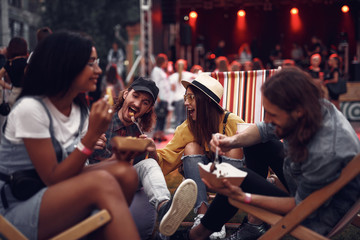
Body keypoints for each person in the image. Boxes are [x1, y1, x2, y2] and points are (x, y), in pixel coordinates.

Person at [186, 67, 360, 240]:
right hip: (308, 188)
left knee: (241, 178)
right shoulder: (314, 107)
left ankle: (199, 233)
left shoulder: (324, 151)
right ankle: (254, 223)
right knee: (260, 143)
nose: (267, 119)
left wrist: (246, 197)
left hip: (317, 215)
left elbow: (301, 206)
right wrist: (231, 141)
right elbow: (264, 129)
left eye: (272, 114)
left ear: (297, 112)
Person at [0, 31, 141, 240]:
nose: (98, 70)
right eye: (90, 63)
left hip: (53, 194)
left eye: (97, 62)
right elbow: (53, 178)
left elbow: (72, 171)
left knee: (125, 172)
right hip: (16, 207)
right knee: (102, 182)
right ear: (67, 66)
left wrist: (115, 159)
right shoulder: (31, 109)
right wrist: (90, 137)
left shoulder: (79, 109)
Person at [89, 77, 197, 239]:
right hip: (95, 180)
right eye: (136, 96)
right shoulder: (102, 119)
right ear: (126, 95)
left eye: (145, 102)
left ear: (148, 109)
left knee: (149, 164)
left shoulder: (137, 132)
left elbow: (145, 173)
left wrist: (152, 151)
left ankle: (165, 208)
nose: (138, 104)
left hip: (123, 182)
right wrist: (90, 142)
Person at [156, 73, 245, 239]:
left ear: (207, 101)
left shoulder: (232, 122)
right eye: (185, 97)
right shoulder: (188, 127)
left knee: (233, 147)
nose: (185, 103)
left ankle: (218, 218)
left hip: (234, 178)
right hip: (203, 176)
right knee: (191, 147)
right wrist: (149, 154)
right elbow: (167, 156)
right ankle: (204, 217)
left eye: (191, 97)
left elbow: (255, 155)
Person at [0, 37, 28, 107]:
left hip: (13, 94)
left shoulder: (9, 63)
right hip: (24, 96)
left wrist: (8, 87)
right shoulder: (25, 62)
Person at [168, 59, 195, 128]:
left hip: (177, 98)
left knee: (178, 119)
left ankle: (178, 134)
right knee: (187, 118)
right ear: (185, 66)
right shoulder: (190, 75)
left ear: (176, 66)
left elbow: (172, 89)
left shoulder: (173, 76)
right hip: (187, 98)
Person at [151, 53, 171, 142]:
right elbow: (155, 83)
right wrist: (157, 97)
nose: (166, 63)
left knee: (162, 117)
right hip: (161, 97)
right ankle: (157, 134)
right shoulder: (156, 70)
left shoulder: (161, 70)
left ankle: (160, 134)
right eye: (165, 61)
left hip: (164, 97)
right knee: (160, 117)